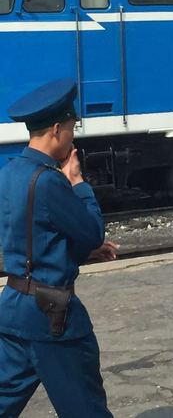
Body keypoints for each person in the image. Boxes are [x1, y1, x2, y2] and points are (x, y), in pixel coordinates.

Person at [0, 78, 117, 417]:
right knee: (86, 409)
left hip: (13, 311)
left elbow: (30, 238)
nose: (72, 136)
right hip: (53, 318)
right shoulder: (50, 180)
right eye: (71, 129)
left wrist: (81, 254)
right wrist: (78, 183)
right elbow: (93, 231)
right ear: (55, 130)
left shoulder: (9, 174)